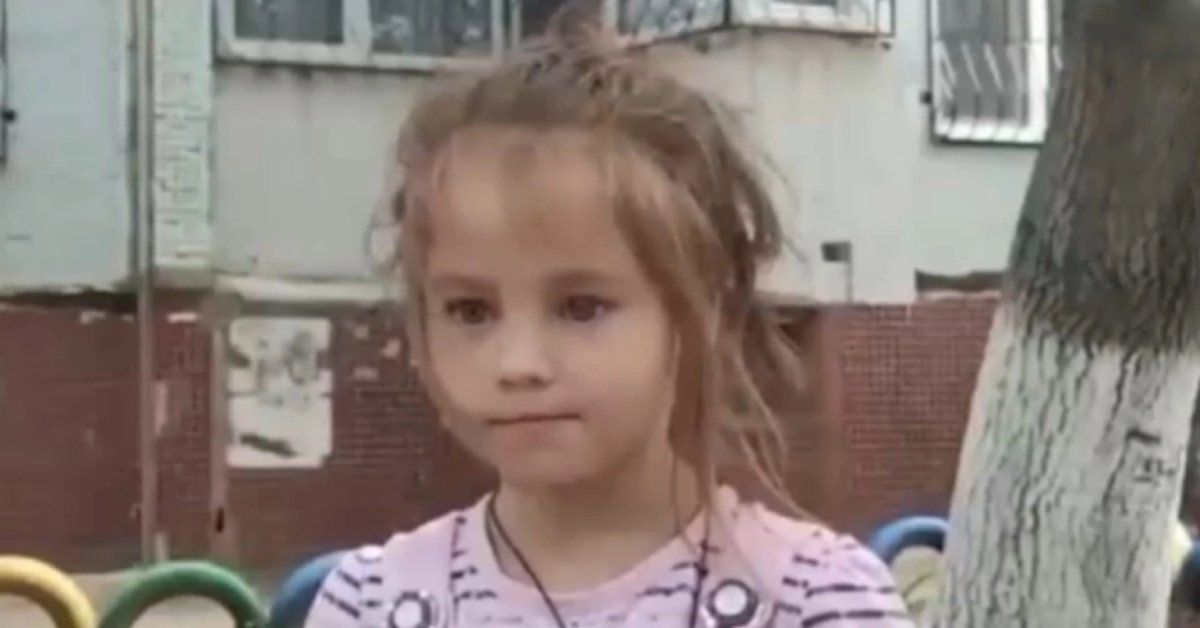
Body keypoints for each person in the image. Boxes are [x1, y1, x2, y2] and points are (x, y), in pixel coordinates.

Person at [303, 2, 913, 626]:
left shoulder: (815, 599)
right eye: (470, 310)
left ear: (701, 313)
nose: (517, 363)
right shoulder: (371, 602)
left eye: (580, 307)